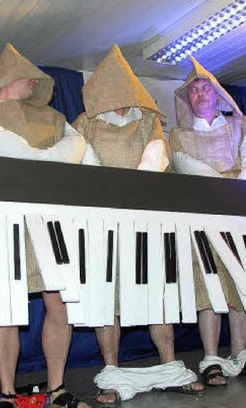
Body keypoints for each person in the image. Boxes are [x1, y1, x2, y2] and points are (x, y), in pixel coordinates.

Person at [0, 44, 89, 408]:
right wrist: (52, 161)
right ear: (9, 79)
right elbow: (18, 157)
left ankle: (56, 390)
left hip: (50, 221)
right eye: (29, 77)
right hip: (5, 220)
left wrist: (50, 161)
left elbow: (80, 148)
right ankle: (8, 394)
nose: (34, 82)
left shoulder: (56, 119)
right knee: (6, 308)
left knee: (59, 305)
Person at [72, 44, 202, 407]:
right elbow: (85, 163)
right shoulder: (85, 123)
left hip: (146, 219)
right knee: (107, 299)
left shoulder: (149, 122)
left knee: (156, 294)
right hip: (103, 221)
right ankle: (111, 372)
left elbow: (155, 157)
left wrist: (133, 196)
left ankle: (170, 367)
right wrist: (112, 197)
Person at [169, 57, 246, 387]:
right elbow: (184, 165)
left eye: (205, 88)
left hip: (241, 213)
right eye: (194, 91)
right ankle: (212, 358)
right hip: (203, 216)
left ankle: (240, 354)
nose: (200, 94)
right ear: (188, 99)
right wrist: (223, 192)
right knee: (209, 289)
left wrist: (238, 195)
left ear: (218, 95)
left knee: (242, 286)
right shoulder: (180, 135)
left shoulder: (241, 127)